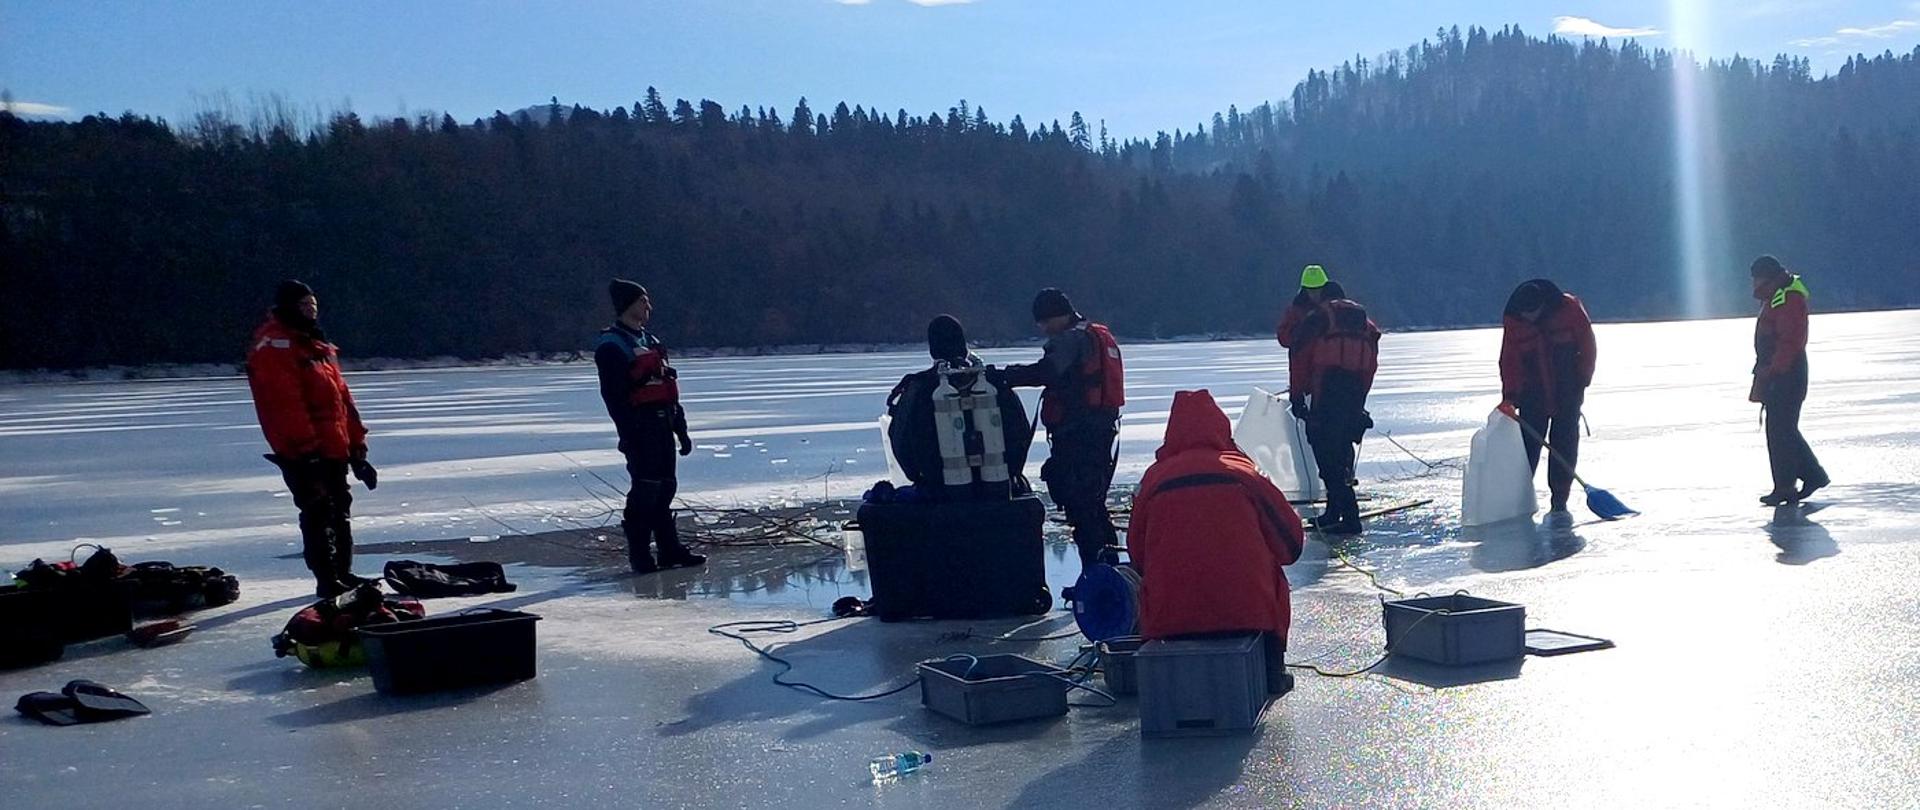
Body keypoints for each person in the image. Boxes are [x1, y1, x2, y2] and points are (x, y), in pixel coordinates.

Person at [1129, 390, 1304, 694]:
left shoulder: (1154, 480)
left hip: (1170, 622)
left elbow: (1138, 556)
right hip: (1248, 617)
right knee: (1273, 574)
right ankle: (1272, 670)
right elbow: (1291, 546)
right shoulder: (1246, 474)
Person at [246, 280, 377, 598]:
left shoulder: (319, 346)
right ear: (289, 308)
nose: (311, 311)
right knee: (318, 510)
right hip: (302, 451)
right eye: (304, 306)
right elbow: (284, 405)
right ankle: (327, 579)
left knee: (339, 507)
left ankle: (343, 573)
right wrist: (306, 450)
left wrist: (357, 447)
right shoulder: (275, 347)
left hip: (333, 445)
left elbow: (342, 400)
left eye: (313, 305)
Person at [1004, 288, 1125, 568]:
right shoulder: (1093, 334)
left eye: (1045, 321)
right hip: (1101, 431)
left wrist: (1006, 376)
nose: (1043, 328)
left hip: (1077, 435)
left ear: (1059, 315)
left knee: (1081, 506)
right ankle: (1109, 569)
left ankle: (1095, 572)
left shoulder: (1070, 340)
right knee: (1094, 504)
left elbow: (1046, 371)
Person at [596, 279, 705, 574]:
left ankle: (670, 550)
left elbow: (669, 390)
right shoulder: (612, 347)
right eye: (643, 301)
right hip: (639, 428)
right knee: (645, 490)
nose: (649, 307)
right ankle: (640, 555)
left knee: (666, 487)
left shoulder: (651, 341)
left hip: (663, 424)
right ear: (628, 305)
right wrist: (629, 433)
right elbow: (614, 397)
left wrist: (681, 429)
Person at [885, 315, 1034, 500]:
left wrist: (921, 477)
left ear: (933, 349)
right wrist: (1012, 471)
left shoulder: (918, 388)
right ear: (963, 344)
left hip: (939, 491)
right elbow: (1020, 431)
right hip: (998, 486)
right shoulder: (992, 383)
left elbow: (900, 441)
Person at [1498, 279, 1598, 515]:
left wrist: (1582, 380)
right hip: (1532, 394)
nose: (1528, 317)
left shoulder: (1569, 309)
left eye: (1532, 313)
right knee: (1528, 446)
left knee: (1564, 444)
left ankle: (1559, 499)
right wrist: (1510, 396)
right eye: (1525, 313)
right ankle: (1520, 498)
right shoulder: (1514, 320)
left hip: (1567, 390)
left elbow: (1588, 345)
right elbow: (1509, 360)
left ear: (1543, 305)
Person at [1288, 282, 1380, 535]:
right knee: (1342, 453)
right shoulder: (1365, 325)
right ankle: (1334, 512)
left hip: (1326, 393)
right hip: (1353, 396)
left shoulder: (1317, 318)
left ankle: (1350, 518)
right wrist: (1360, 400)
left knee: (1326, 455)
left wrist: (1297, 396)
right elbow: (1371, 366)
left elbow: (1298, 357)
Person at [1749, 256, 1829, 506]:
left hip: (1786, 372)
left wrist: (1774, 370)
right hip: (1780, 371)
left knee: (1780, 430)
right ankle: (1810, 477)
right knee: (1781, 429)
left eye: (1756, 278)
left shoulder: (1787, 297)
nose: (1753, 283)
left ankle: (1787, 487)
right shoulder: (1776, 295)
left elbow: (1791, 340)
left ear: (1766, 277)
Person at [1275, 263, 1335, 352]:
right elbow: (1283, 338)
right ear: (1304, 289)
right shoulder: (1295, 310)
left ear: (1324, 288)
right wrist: (1304, 329)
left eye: (1318, 289)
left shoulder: (1336, 308)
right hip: (1306, 359)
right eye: (1310, 289)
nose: (1314, 293)